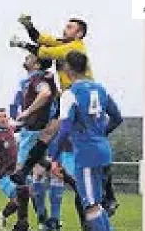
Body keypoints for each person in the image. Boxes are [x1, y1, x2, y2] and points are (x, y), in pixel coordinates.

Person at [10, 15, 119, 217]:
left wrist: (22, 44)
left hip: (83, 96)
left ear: (79, 33)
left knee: (91, 142)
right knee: (49, 132)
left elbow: (44, 52)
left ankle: (109, 196)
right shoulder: (64, 44)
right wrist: (29, 26)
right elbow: (42, 39)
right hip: (68, 96)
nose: (65, 29)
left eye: (70, 27)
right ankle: (24, 171)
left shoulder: (72, 49)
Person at [50, 51, 123, 231]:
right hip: (103, 151)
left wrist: (53, 157)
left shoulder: (69, 94)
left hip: (86, 155)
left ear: (68, 70)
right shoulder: (100, 89)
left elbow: (64, 130)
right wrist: (101, 134)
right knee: (97, 204)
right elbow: (117, 117)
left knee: (90, 207)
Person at [5, 54, 57, 231]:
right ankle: (42, 218)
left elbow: (45, 94)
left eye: (29, 57)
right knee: (41, 170)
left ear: (35, 63)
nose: (24, 59)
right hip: (32, 131)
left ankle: (23, 222)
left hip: (36, 132)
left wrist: (26, 113)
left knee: (21, 174)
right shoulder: (30, 81)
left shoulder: (39, 78)